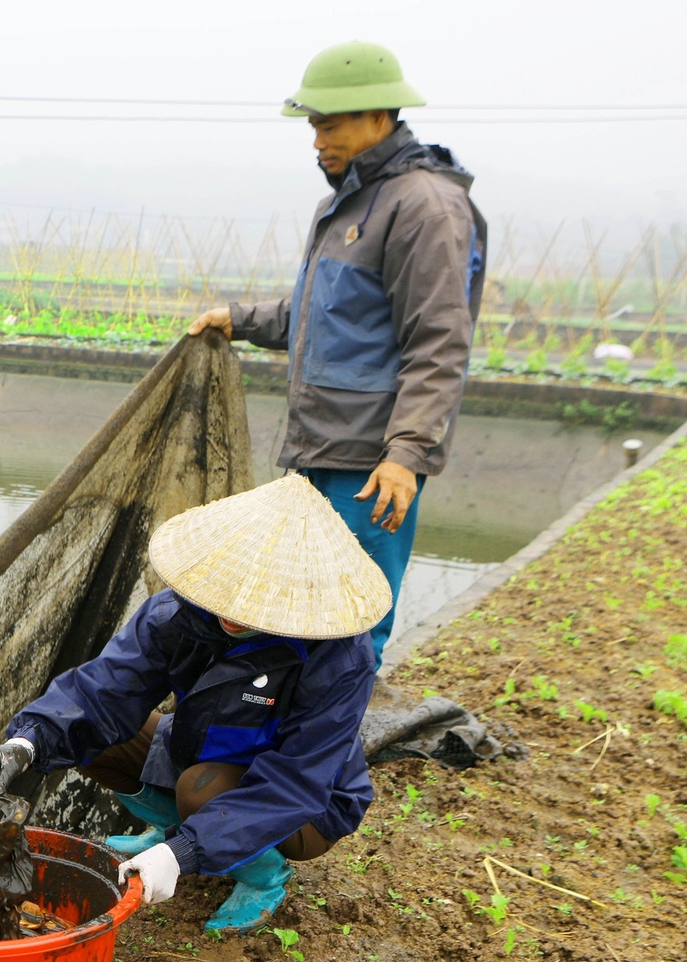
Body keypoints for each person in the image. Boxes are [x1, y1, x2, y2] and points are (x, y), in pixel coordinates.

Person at [0, 475, 388, 932]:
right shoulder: (175, 615)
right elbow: (102, 691)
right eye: (229, 588)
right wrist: (28, 744)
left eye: (257, 602)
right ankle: (176, 829)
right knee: (95, 736)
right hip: (201, 744)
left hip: (310, 801)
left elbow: (297, 782)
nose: (234, 612)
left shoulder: (339, 656)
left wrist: (183, 854)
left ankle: (262, 874)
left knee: (201, 788)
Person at [190, 40, 487, 667]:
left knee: (351, 620)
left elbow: (439, 342)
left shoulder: (424, 206)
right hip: (316, 444)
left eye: (330, 124)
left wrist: (405, 456)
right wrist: (239, 321)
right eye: (313, 125)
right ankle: (288, 739)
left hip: (371, 463)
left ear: (379, 116)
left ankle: (331, 748)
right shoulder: (341, 206)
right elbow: (317, 316)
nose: (318, 139)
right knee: (297, 606)